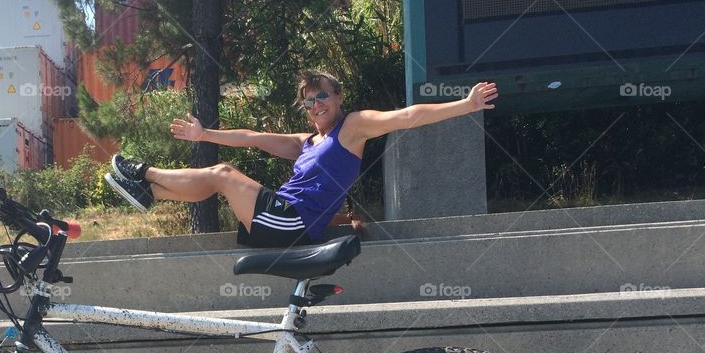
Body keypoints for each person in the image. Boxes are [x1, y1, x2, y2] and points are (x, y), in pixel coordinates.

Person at [105, 70, 497, 247]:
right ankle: (152, 193)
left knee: (223, 174)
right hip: (284, 219)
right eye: (309, 101)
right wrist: (204, 134)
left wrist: (465, 104)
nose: (316, 104)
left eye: (322, 96)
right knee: (213, 180)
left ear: (339, 97)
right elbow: (254, 139)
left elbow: (408, 117)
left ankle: (142, 172)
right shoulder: (306, 142)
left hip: (291, 222)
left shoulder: (354, 127)